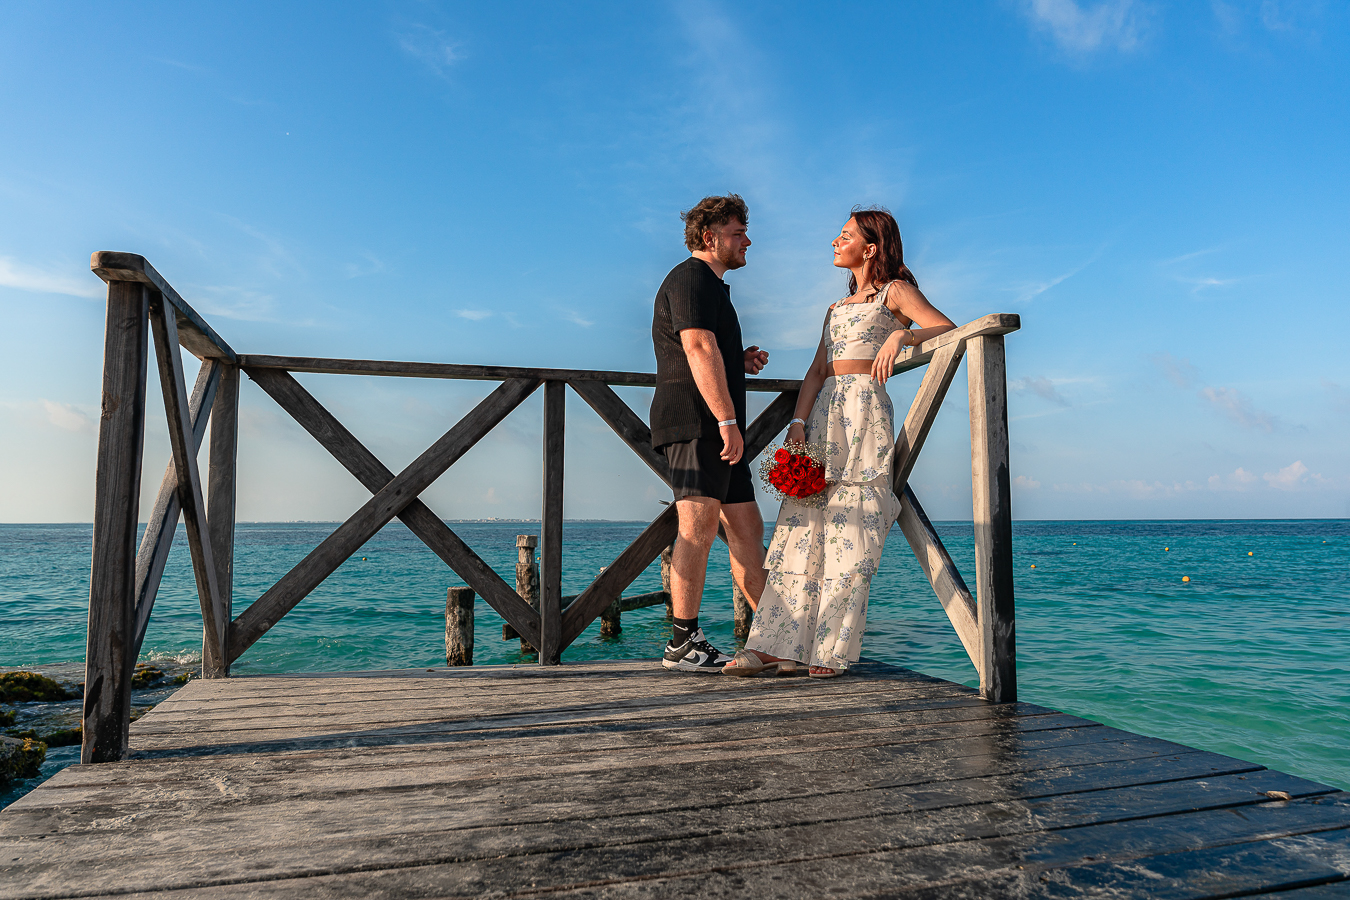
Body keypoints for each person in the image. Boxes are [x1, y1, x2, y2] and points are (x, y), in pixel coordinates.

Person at [724, 207, 955, 678]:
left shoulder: (896, 292)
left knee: (853, 530)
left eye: (845, 234)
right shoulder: (834, 309)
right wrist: (797, 422)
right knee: (799, 530)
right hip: (824, 414)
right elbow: (816, 370)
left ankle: (830, 649)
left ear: (870, 248)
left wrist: (904, 336)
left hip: (864, 412)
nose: (835, 240)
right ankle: (777, 646)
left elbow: (948, 328)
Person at [651, 194, 771, 673]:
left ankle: (779, 635)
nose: (747, 240)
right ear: (710, 237)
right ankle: (682, 643)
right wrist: (726, 420)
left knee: (747, 529)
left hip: (719, 430)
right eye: (738, 232)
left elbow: (706, 350)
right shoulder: (691, 278)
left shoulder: (715, 288)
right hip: (698, 425)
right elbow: (697, 347)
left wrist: (738, 363)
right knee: (696, 529)